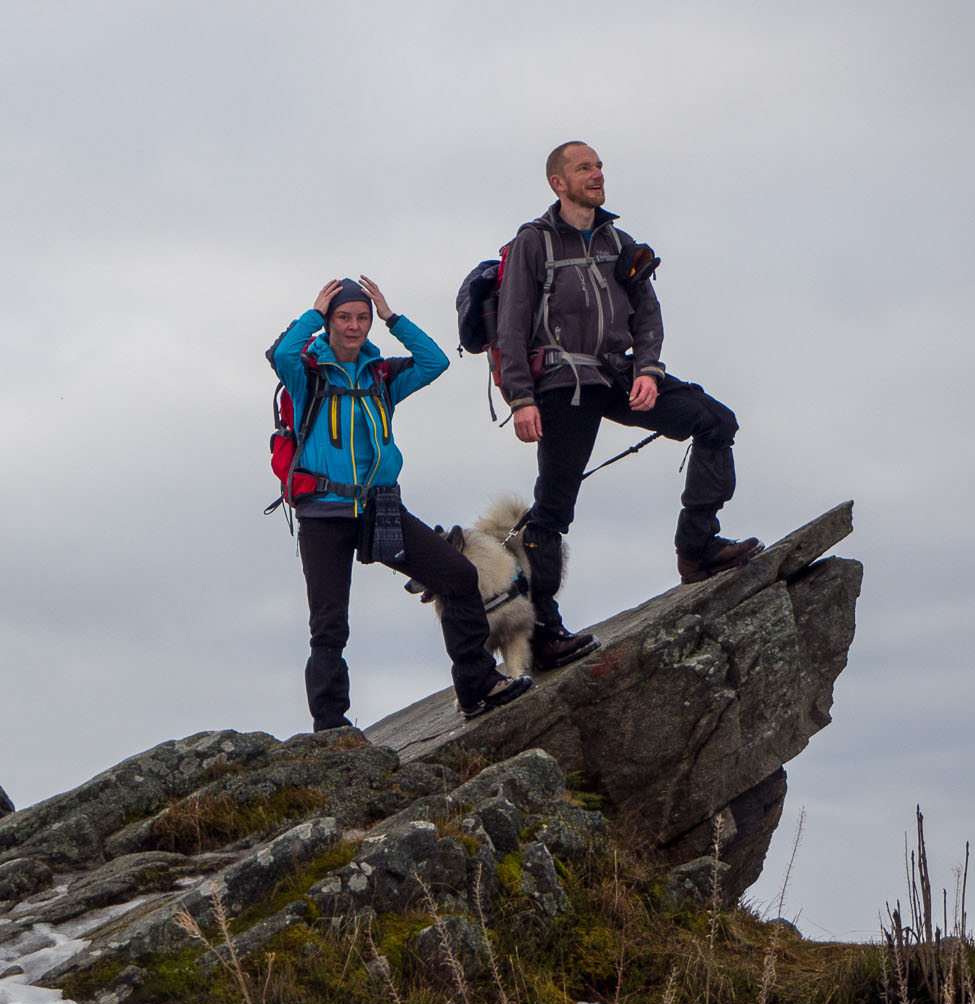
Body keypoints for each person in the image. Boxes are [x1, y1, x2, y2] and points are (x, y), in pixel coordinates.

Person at [495, 141, 762, 670]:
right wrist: (521, 398)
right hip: (563, 382)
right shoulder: (534, 244)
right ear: (558, 182)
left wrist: (648, 368)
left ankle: (698, 547)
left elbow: (647, 313)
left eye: (598, 166)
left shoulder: (620, 241)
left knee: (715, 422)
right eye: (583, 168)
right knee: (553, 507)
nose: (597, 174)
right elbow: (510, 327)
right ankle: (544, 631)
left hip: (616, 373)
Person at [271, 276, 531, 731]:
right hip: (324, 513)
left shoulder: (382, 376)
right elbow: (282, 355)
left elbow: (433, 362)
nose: (354, 326)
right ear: (329, 322)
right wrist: (312, 313)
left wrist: (393, 318)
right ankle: (331, 727)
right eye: (344, 317)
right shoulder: (306, 374)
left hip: (379, 506)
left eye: (361, 318)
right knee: (329, 626)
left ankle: (477, 687)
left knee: (459, 577)